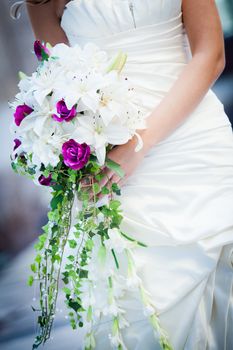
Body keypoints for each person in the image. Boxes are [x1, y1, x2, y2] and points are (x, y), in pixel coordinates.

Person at [3, 0, 233, 349]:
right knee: (145, 306)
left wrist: (140, 144)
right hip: (115, 167)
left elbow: (211, 53)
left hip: (197, 145)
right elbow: (59, 84)